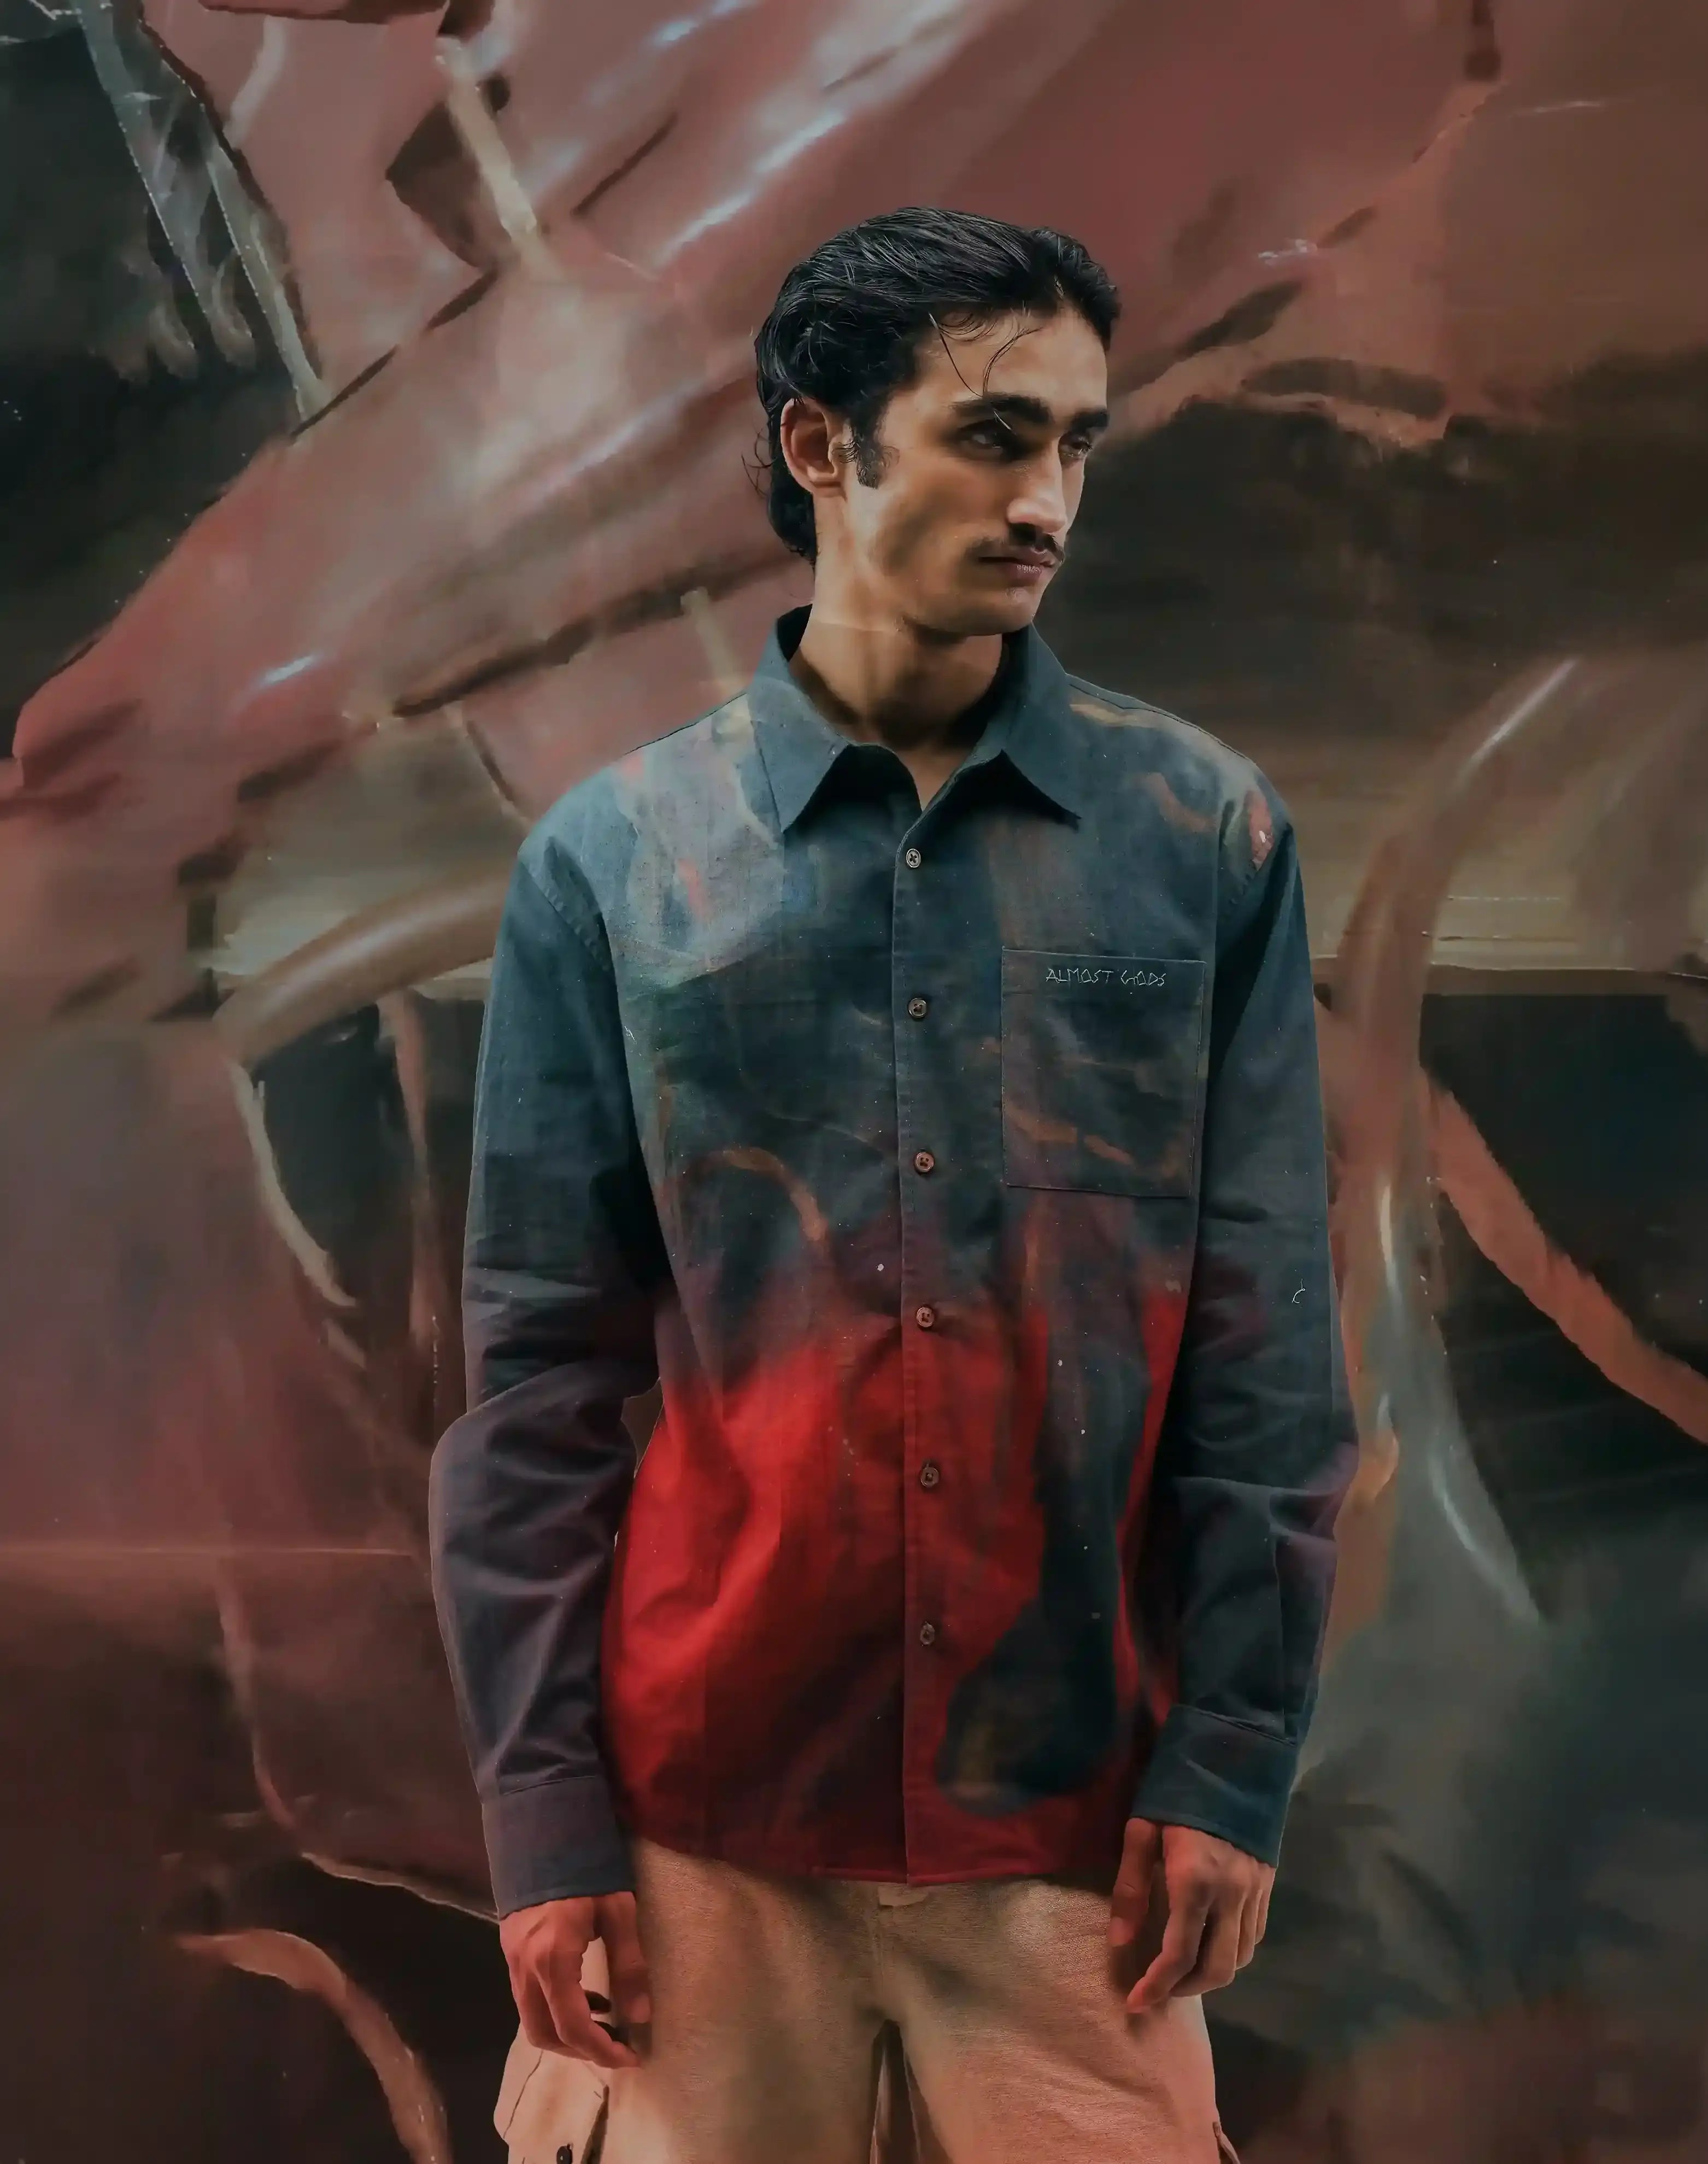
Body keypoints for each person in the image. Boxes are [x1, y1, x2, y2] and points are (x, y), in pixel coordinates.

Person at [430, 206, 1355, 2163]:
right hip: (701, 1831)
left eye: (1077, 444)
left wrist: (1232, 1762)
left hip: (1078, 1831)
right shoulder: (616, 864)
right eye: (995, 435)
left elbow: (1266, 1344)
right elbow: (537, 1385)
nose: (1048, 502)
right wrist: (544, 1821)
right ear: (821, 444)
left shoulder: (1203, 840)